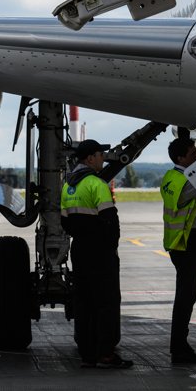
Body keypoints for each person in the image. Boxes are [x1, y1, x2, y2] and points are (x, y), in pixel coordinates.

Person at [61, 139, 133, 369]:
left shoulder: (68, 186)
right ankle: (106, 354)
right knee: (107, 301)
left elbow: (65, 223)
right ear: (90, 158)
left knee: (84, 301)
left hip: (80, 249)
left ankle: (88, 353)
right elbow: (111, 221)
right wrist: (110, 246)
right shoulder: (96, 184)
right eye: (100, 155)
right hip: (100, 251)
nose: (103, 159)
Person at [160, 137, 196, 364]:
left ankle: (179, 345)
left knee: (187, 293)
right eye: (193, 154)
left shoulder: (173, 178)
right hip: (185, 243)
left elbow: (186, 206)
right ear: (181, 158)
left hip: (182, 241)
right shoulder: (182, 180)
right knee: (186, 295)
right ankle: (179, 348)